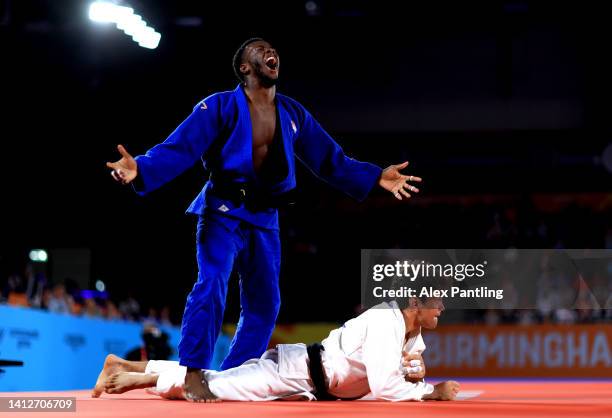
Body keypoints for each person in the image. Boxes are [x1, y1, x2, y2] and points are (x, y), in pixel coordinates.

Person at [106, 37, 423, 401]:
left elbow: (329, 160)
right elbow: (181, 148)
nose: (272, 53)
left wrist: (375, 176)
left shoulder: (292, 113)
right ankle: (193, 370)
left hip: (264, 216)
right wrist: (140, 169)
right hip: (223, 210)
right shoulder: (219, 107)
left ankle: (235, 374)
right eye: (261, 50)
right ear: (245, 67)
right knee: (212, 282)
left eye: (273, 50)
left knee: (265, 303)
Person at [92, 296, 459, 402]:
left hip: (308, 384)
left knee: (219, 382)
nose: (443, 307)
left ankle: (126, 365)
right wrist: (429, 393)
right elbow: (382, 386)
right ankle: (140, 377)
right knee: (213, 388)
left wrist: (418, 372)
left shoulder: (409, 331)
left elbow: (409, 364)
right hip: (296, 371)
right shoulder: (386, 322)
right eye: (438, 301)